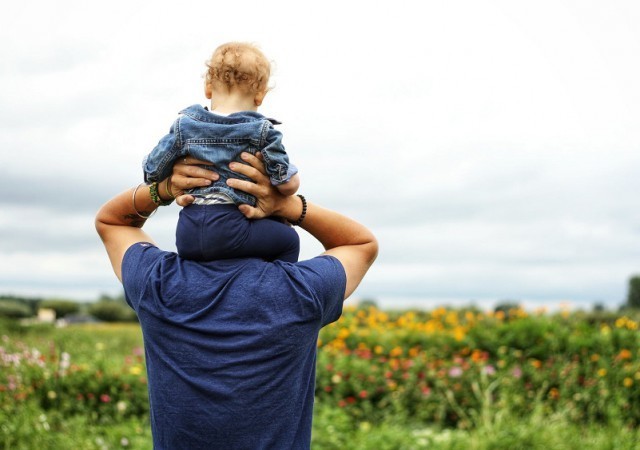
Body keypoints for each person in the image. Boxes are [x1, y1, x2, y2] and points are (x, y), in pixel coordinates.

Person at [95, 153, 378, 449]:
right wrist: (290, 205)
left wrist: (163, 189)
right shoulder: (301, 290)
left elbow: (112, 222)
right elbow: (359, 243)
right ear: (275, 226)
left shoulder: (159, 283)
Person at [143, 42, 301, 262]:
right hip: (233, 228)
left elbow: (152, 171)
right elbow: (285, 184)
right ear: (260, 96)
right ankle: (277, 289)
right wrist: (291, 181)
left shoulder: (184, 126)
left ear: (207, 88)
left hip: (187, 232)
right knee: (289, 240)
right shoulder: (262, 131)